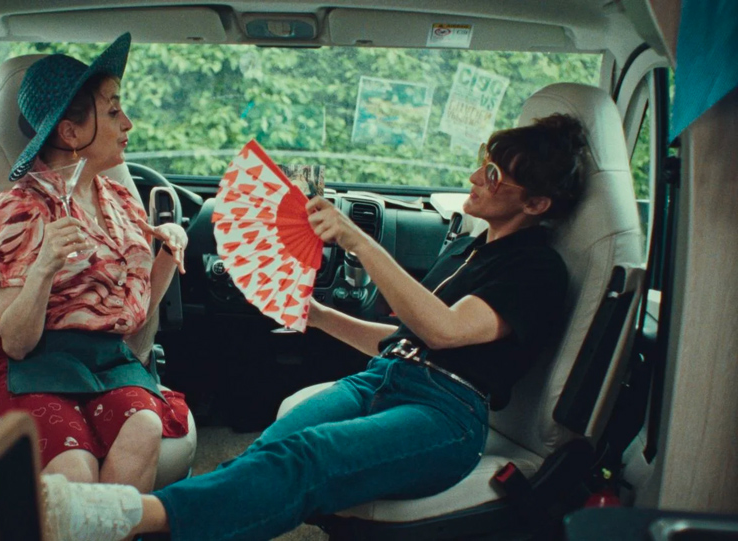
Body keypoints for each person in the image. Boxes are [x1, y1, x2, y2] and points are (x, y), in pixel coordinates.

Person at [40, 113, 589, 541]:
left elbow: (444, 331)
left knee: (307, 457)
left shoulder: (537, 269)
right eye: (483, 162)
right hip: (386, 378)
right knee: (267, 451)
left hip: (447, 413)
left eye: (493, 174)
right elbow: (402, 341)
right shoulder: (470, 248)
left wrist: (355, 239)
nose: (475, 177)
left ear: (536, 202)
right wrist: (315, 316)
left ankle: (121, 516)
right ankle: (160, 524)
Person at [0, 33, 191, 494]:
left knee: (145, 426)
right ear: (70, 133)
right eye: (113, 111)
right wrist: (44, 266)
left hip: (106, 363)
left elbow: (132, 322)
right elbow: (16, 343)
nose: (128, 123)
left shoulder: (122, 201)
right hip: (34, 364)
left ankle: (114, 524)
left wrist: (169, 255)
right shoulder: (22, 209)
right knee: (75, 470)